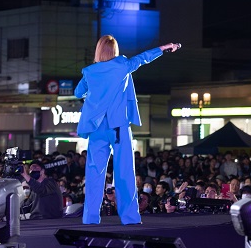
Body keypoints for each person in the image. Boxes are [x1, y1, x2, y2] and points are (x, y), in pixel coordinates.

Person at [74, 35, 180, 225]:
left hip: (97, 128)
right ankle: (129, 217)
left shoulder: (89, 72)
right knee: (124, 172)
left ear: (98, 50)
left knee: (94, 173)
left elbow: (77, 93)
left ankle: (90, 218)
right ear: (114, 50)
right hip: (118, 127)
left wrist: (93, 93)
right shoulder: (122, 66)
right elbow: (143, 58)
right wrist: (164, 47)